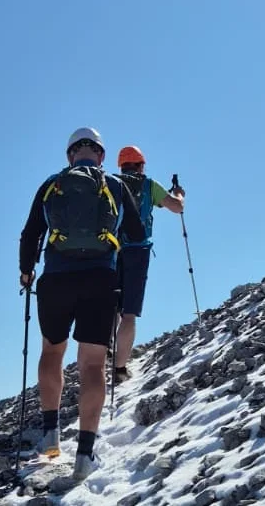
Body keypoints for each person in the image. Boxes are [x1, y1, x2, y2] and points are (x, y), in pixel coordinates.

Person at [18, 127, 146, 480]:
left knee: (51, 352)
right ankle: (85, 455)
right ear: (102, 156)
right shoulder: (116, 186)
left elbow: (30, 234)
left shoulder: (50, 185)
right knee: (91, 365)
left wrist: (26, 272)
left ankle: (49, 435)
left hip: (56, 280)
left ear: (70, 155)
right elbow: (135, 234)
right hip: (100, 281)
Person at [110, 145, 185, 383]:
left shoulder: (110, 183)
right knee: (129, 313)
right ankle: (120, 369)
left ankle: (107, 348)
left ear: (121, 165)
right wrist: (179, 193)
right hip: (138, 251)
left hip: (109, 250)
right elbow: (177, 207)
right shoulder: (149, 185)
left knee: (111, 306)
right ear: (141, 165)